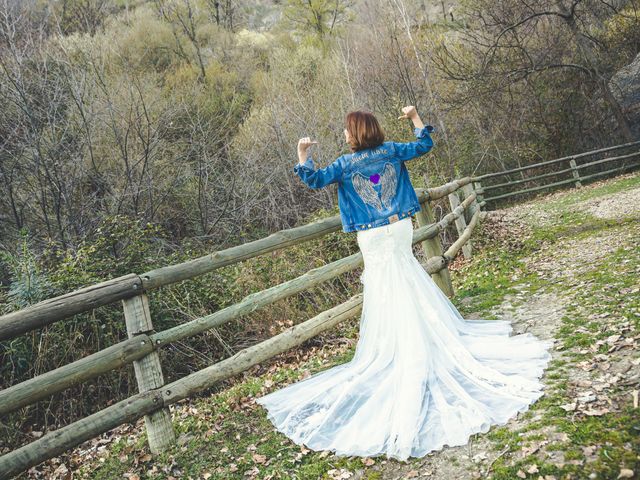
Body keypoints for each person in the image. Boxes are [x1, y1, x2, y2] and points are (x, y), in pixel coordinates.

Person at [255, 106, 552, 462]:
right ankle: (419, 337)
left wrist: (302, 155)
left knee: (384, 288)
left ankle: (397, 344)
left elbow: (314, 180)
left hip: (371, 235)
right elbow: (424, 145)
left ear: (357, 133)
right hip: (398, 228)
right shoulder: (392, 150)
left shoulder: (345, 165)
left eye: (347, 130)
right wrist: (413, 117)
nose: (345, 136)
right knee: (406, 277)